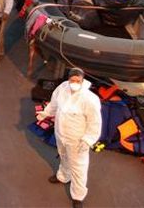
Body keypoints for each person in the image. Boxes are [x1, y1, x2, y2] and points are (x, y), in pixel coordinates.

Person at [36, 68, 102, 208]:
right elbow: (54, 104)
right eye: (72, 80)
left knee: (78, 167)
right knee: (63, 156)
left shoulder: (89, 99)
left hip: (77, 140)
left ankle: (78, 196)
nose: (74, 83)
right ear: (68, 79)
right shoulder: (62, 88)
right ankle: (63, 176)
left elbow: (95, 122)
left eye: (78, 81)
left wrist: (88, 140)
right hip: (61, 133)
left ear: (82, 81)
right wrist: (45, 113)